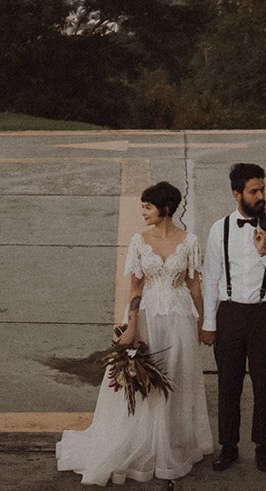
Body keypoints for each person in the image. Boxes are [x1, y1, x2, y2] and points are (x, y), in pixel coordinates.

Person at [57, 181, 212, 486]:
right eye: (143, 206)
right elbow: (135, 288)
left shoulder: (189, 241)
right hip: (148, 316)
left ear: (165, 209)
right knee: (145, 383)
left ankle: (170, 443)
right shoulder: (139, 241)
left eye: (148, 207)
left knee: (176, 377)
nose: (143, 212)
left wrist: (203, 323)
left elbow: (194, 285)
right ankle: (139, 446)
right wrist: (131, 325)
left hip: (179, 318)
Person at [199, 162, 266, 474]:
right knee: (228, 383)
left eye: (262, 189)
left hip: (264, 315)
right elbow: (211, 278)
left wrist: (264, 253)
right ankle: (228, 446)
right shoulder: (220, 229)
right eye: (253, 191)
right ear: (236, 194)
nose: (260, 196)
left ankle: (263, 446)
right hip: (229, 314)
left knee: (264, 382)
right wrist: (209, 324)